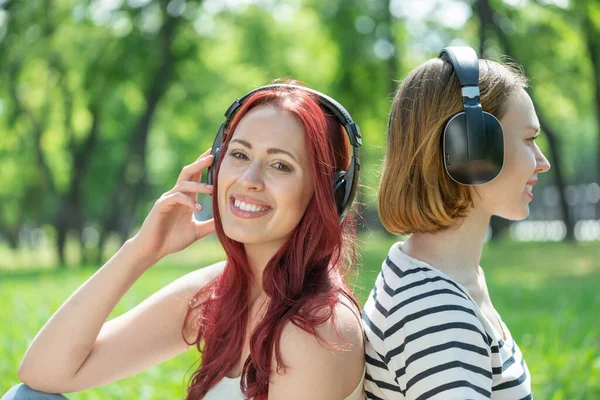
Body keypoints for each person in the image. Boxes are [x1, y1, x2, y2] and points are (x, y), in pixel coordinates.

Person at [3, 83, 366, 400]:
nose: (249, 180)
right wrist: (142, 251)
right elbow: (43, 374)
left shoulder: (318, 329)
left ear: (328, 194)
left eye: (280, 165)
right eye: (239, 155)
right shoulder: (220, 292)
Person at [362, 46, 550, 399]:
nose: (542, 162)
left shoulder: (443, 276)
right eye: (529, 139)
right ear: (472, 148)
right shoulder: (435, 313)